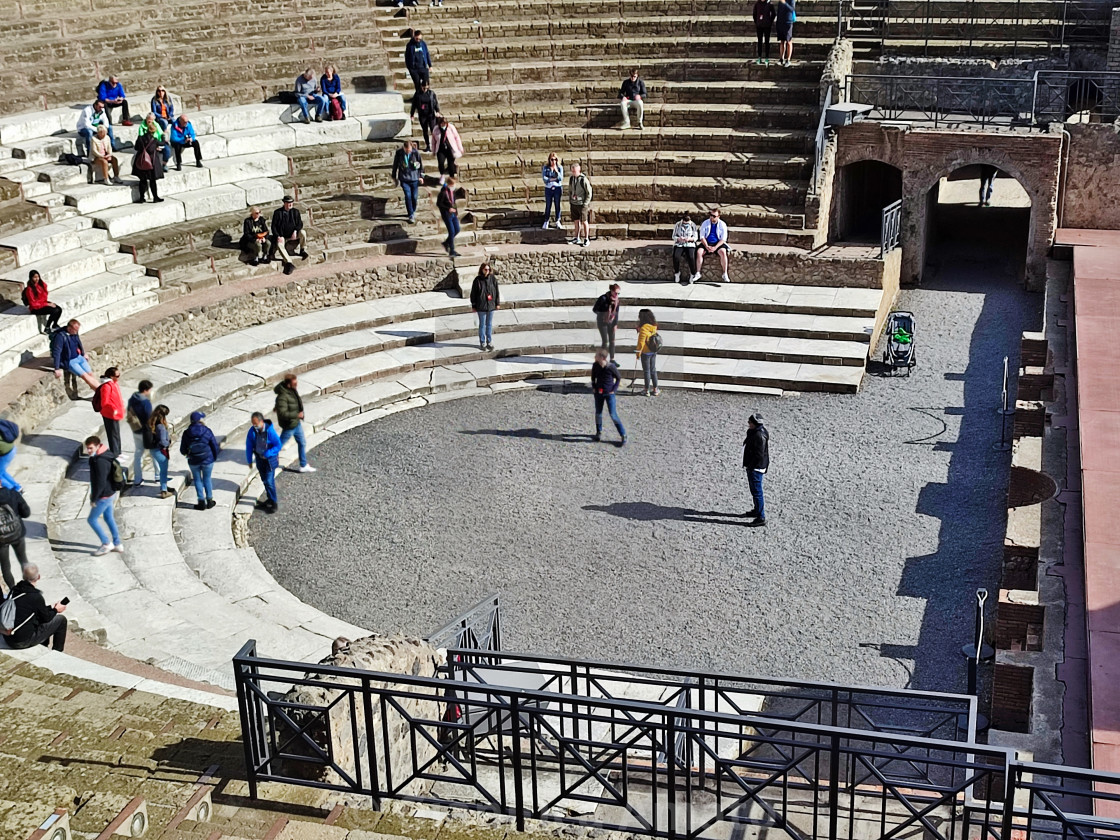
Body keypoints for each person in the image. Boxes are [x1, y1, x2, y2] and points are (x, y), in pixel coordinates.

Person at [4, 564, 67, 651]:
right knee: (61, 620)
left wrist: (49, 608)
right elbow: (46, 618)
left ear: (23, 576)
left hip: (7, 637)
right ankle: (57, 652)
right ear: (38, 577)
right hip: (21, 642)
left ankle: (44, 647)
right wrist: (56, 610)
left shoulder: (14, 590)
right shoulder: (36, 597)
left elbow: (27, 610)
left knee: (39, 618)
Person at [83, 435, 123, 555]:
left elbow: (100, 482)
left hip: (104, 495)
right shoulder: (105, 455)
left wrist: (94, 498)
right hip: (110, 492)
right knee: (108, 517)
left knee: (92, 520)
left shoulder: (100, 461)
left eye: (90, 448)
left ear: (97, 446)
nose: (88, 451)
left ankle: (106, 543)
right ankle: (117, 544)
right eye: (87, 448)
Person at [273, 373, 316, 472]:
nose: (296, 385)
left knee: (302, 442)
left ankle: (303, 465)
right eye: (294, 384)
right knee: (279, 445)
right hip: (290, 425)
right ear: (288, 384)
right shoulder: (282, 397)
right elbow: (283, 414)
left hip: (296, 423)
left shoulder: (291, 391)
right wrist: (296, 415)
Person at [179, 411, 219, 510]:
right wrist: (214, 457)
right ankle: (209, 500)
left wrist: (187, 454)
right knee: (207, 479)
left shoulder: (186, 433)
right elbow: (214, 445)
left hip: (193, 460)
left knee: (197, 480)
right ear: (200, 420)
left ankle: (201, 502)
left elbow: (182, 449)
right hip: (207, 459)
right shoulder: (207, 431)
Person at [245, 412, 283, 513]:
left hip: (269, 461)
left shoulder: (270, 432)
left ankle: (274, 502)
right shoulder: (252, 432)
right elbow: (249, 446)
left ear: (261, 422)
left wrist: (268, 453)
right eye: (253, 424)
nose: (254, 426)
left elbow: (278, 445)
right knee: (264, 480)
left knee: (269, 482)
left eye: (256, 424)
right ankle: (270, 499)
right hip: (259, 459)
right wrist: (249, 460)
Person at [590, 348, 626, 446]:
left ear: (602, 357)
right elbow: (593, 377)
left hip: (609, 394)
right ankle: (598, 432)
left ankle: (623, 434)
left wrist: (613, 390)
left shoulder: (611, 367)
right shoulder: (595, 366)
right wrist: (594, 387)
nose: (595, 357)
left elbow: (618, 378)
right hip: (598, 393)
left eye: (596, 355)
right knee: (598, 413)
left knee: (613, 414)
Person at [51, 319, 99, 391]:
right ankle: (102, 392)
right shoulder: (60, 337)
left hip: (78, 357)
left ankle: (99, 393)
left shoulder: (74, 333)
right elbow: (57, 352)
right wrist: (57, 368)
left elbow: (78, 342)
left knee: (90, 374)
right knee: (85, 377)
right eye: (75, 330)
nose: (76, 332)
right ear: (69, 329)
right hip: (70, 361)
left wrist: (83, 353)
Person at [0, 484, 30, 596]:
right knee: (23, 560)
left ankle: (13, 590)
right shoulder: (12, 493)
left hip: (1, 540)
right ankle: (28, 585)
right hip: (17, 533)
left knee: (5, 567)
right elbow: (26, 513)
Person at [269, 196, 308, 275]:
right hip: (282, 235)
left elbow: (300, 224)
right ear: (285, 203)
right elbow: (273, 227)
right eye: (288, 203)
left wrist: (295, 231)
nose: (290, 204)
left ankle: (302, 249)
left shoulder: (295, 212)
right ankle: (288, 262)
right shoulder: (277, 213)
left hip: (293, 234)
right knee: (279, 245)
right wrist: (278, 236)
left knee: (303, 232)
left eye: (291, 203)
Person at [742, 412, 769, 526]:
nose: (748, 423)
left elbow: (759, 455)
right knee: (755, 491)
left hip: (756, 468)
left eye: (750, 422)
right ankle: (757, 510)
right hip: (755, 467)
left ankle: (760, 517)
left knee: (757, 492)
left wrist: (751, 467)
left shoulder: (759, 436)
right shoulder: (756, 432)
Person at [93, 367, 126, 457]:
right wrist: (114, 409)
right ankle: (115, 454)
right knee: (112, 434)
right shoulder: (106, 386)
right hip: (110, 413)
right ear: (111, 377)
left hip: (115, 413)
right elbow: (105, 402)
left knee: (116, 433)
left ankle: (118, 452)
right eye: (117, 376)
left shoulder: (114, 384)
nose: (119, 377)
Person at [126, 379, 153, 487]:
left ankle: (137, 479)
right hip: (145, 431)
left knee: (138, 454)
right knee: (154, 452)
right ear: (146, 390)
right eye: (150, 390)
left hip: (135, 429)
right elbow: (148, 417)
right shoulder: (145, 402)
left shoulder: (132, 398)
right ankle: (157, 476)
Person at [392, 139, 424, 224]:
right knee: (408, 195)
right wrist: (394, 176)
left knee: (414, 197)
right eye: (406, 150)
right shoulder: (399, 153)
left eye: (409, 150)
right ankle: (410, 214)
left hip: (414, 178)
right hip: (404, 179)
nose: (408, 152)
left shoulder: (416, 153)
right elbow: (395, 165)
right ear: (404, 148)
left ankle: (412, 210)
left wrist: (421, 176)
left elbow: (421, 165)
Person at [132, 125, 165, 203]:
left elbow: (136, 148)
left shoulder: (140, 138)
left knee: (142, 180)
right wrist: (163, 137)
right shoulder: (155, 140)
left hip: (141, 161)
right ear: (154, 131)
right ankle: (155, 197)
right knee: (152, 181)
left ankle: (141, 198)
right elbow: (162, 143)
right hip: (151, 162)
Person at [470, 263, 499, 351]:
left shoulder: (493, 279)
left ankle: (489, 342)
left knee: (489, 324)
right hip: (481, 306)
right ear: (482, 270)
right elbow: (473, 294)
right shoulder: (477, 280)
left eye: (488, 270)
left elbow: (496, 291)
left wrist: (497, 303)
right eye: (485, 269)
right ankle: (482, 342)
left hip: (491, 305)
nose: (487, 271)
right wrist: (473, 305)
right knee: (482, 325)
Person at [696, 208, 730, 282]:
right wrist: (706, 246)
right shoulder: (705, 223)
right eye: (710, 215)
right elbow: (702, 237)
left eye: (714, 216)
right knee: (699, 252)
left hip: (718, 243)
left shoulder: (722, 224)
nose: (712, 217)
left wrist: (715, 247)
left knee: (723, 253)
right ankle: (698, 272)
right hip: (706, 243)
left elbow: (723, 239)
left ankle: (725, 273)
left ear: (718, 217)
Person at [146, 405, 173, 498]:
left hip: (153, 449)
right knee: (164, 471)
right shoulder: (160, 427)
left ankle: (164, 485)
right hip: (160, 450)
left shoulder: (151, 422)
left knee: (162, 470)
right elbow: (162, 441)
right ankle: (164, 491)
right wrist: (168, 442)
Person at [592, 284, 620, 361]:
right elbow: (595, 309)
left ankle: (612, 359)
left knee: (612, 341)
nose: (616, 295)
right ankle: (601, 358)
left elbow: (616, 313)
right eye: (615, 293)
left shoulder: (617, 300)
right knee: (605, 341)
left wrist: (615, 324)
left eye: (618, 293)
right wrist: (603, 315)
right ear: (611, 291)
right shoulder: (603, 298)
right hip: (602, 322)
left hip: (611, 322)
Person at [636, 308, 660, 397]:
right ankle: (655, 389)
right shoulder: (653, 326)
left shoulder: (644, 328)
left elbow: (641, 343)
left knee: (646, 371)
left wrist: (638, 354)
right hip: (653, 351)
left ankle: (646, 390)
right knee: (653, 370)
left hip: (645, 352)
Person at [410, 82, 440, 152]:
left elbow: (435, 103)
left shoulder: (431, 93)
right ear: (421, 87)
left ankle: (435, 145)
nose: (425, 89)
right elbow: (414, 105)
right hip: (422, 115)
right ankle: (428, 145)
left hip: (431, 114)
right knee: (425, 130)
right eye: (424, 88)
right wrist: (412, 114)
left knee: (433, 129)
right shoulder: (417, 94)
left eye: (426, 88)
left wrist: (437, 111)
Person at [568, 163, 593, 246]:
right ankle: (576, 237)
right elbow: (570, 190)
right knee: (576, 221)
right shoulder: (571, 179)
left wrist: (585, 203)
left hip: (582, 204)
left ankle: (586, 238)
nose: (573, 173)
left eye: (574, 171)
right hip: (574, 203)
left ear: (579, 171)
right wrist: (571, 199)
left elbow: (589, 192)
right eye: (572, 171)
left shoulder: (583, 180)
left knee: (584, 221)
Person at [436, 175, 461, 257]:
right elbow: (439, 204)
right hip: (447, 214)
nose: (454, 187)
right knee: (451, 231)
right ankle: (452, 250)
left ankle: (446, 243)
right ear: (449, 184)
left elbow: (453, 201)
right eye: (453, 185)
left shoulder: (452, 192)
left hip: (453, 213)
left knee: (457, 229)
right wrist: (448, 208)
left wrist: (455, 210)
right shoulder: (443, 193)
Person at [672, 212, 699, 283]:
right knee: (676, 256)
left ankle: (692, 273)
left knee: (691, 257)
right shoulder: (678, 225)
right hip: (680, 244)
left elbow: (696, 237)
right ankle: (677, 273)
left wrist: (689, 239)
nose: (686, 224)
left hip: (690, 244)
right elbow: (673, 236)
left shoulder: (693, 225)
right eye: (684, 223)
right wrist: (679, 238)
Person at [542, 154, 564, 229]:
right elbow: (545, 179)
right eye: (552, 159)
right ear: (549, 160)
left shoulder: (560, 167)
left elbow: (560, 178)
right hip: (548, 188)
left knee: (557, 205)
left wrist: (556, 171)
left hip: (557, 188)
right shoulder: (546, 168)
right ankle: (546, 220)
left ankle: (558, 220)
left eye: (555, 160)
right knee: (548, 205)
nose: (553, 161)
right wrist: (552, 179)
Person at [0, 420, 20, 494]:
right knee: (2, 472)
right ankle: (18, 488)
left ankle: (13, 493)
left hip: (5, 454)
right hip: (11, 449)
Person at [753, 0, 776, 65]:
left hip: (767, 26)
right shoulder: (757, 4)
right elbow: (754, 14)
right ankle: (759, 57)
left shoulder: (770, 4)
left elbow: (773, 14)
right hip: (759, 26)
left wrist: (770, 22)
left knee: (767, 42)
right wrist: (757, 22)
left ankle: (766, 57)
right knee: (759, 41)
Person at [775, 0, 796, 66]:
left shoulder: (791, 0)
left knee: (788, 41)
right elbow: (778, 11)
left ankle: (788, 59)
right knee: (782, 41)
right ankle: (781, 58)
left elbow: (792, 9)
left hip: (788, 22)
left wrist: (785, 3)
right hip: (780, 22)